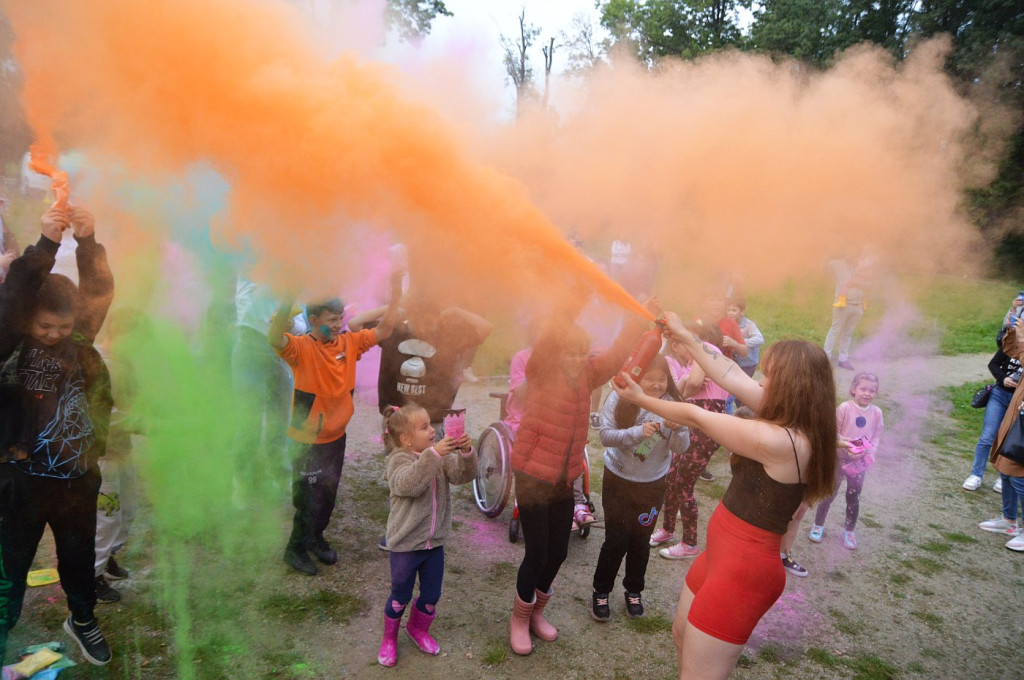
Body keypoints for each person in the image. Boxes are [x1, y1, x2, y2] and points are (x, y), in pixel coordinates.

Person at [612, 312, 837, 680]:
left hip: (743, 572)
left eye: (769, 375)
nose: (760, 381)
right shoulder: (790, 415)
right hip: (721, 555)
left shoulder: (783, 441)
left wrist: (642, 399)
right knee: (681, 636)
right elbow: (729, 374)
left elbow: (698, 418)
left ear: (791, 387)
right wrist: (683, 334)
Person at [507, 300, 657, 656]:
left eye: (580, 353)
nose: (575, 359)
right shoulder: (541, 370)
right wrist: (569, 299)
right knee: (537, 553)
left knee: (558, 552)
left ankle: (535, 613)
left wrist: (638, 318)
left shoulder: (590, 373)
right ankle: (517, 619)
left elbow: (620, 351)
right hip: (532, 475)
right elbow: (549, 341)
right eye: (568, 353)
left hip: (564, 478)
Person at [0, 205, 115, 666]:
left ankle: (82, 617)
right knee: (10, 567)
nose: (54, 334)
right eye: (44, 326)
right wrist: (46, 245)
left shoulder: (80, 342)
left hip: (75, 476)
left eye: (63, 327)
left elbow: (98, 292)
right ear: (26, 322)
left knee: (78, 554)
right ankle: (3, 629)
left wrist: (87, 242)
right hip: (20, 481)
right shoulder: (9, 342)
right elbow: (14, 297)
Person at [269, 271, 401, 575]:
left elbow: (385, 329)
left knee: (327, 495)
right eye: (331, 318)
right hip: (306, 440)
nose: (338, 322)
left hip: (336, 437)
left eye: (340, 316)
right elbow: (274, 338)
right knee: (307, 497)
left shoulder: (349, 343)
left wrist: (395, 297)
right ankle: (295, 548)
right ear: (313, 320)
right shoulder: (301, 348)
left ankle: (315, 538)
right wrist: (289, 295)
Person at [376, 403, 476, 666]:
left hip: (434, 544)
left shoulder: (437, 456)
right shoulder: (398, 459)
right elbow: (409, 484)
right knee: (400, 595)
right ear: (406, 439)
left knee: (431, 595)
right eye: (425, 428)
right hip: (405, 546)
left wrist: (466, 453)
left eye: (431, 424)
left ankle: (417, 629)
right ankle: (389, 638)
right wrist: (433, 454)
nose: (433, 430)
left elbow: (462, 476)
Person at [592, 354, 690, 621]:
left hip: (652, 483)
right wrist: (637, 432)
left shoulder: (672, 404)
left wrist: (680, 429)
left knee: (640, 542)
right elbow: (604, 437)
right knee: (616, 540)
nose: (657, 385)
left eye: (662, 380)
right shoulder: (620, 397)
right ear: (637, 377)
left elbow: (682, 448)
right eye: (650, 379)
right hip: (618, 480)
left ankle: (633, 590)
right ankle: (601, 590)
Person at [650, 322, 728, 557]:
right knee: (672, 478)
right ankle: (667, 529)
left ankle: (690, 543)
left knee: (683, 484)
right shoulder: (694, 360)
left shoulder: (706, 348)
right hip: (693, 419)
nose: (679, 347)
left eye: (682, 341)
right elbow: (686, 386)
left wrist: (686, 390)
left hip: (703, 421)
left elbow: (692, 385)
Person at [93, 309, 149, 604]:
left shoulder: (124, 362)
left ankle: (108, 559)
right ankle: (91, 576)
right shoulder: (100, 363)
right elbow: (103, 416)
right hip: (103, 458)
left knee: (128, 511)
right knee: (106, 518)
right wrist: (143, 423)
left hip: (121, 452)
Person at [809, 372, 884, 550]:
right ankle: (818, 525)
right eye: (863, 389)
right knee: (829, 493)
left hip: (860, 462)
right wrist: (846, 445)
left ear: (876, 393)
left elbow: (876, 436)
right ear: (853, 389)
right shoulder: (844, 408)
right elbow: (833, 431)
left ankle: (849, 530)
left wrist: (870, 453)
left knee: (853, 495)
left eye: (872, 390)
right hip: (839, 458)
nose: (867, 393)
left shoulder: (877, 413)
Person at [984, 321, 1024, 552]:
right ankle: (1009, 521)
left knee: (1019, 474)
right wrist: (1013, 326)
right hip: (1016, 412)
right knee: (1005, 466)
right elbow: (1010, 350)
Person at [963, 346, 1020, 492]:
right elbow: (993, 364)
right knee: (987, 437)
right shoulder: (1011, 342)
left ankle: (1003, 477)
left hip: (1019, 402)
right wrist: (1003, 379)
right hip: (999, 396)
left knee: (1009, 440)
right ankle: (975, 475)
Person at [823, 251, 875, 370]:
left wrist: (858, 283)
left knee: (848, 333)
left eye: (856, 252)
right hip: (843, 305)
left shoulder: (861, 266)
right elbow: (825, 266)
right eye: (850, 250)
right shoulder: (838, 264)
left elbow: (870, 285)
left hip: (858, 306)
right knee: (835, 330)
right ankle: (826, 358)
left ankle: (843, 359)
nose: (853, 254)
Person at [724, 297, 763, 378]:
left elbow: (760, 339)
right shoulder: (727, 324)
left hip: (748, 364)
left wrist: (740, 342)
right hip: (734, 362)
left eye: (734, 310)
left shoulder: (749, 325)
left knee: (744, 384)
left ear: (742, 312)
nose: (730, 313)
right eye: (728, 310)